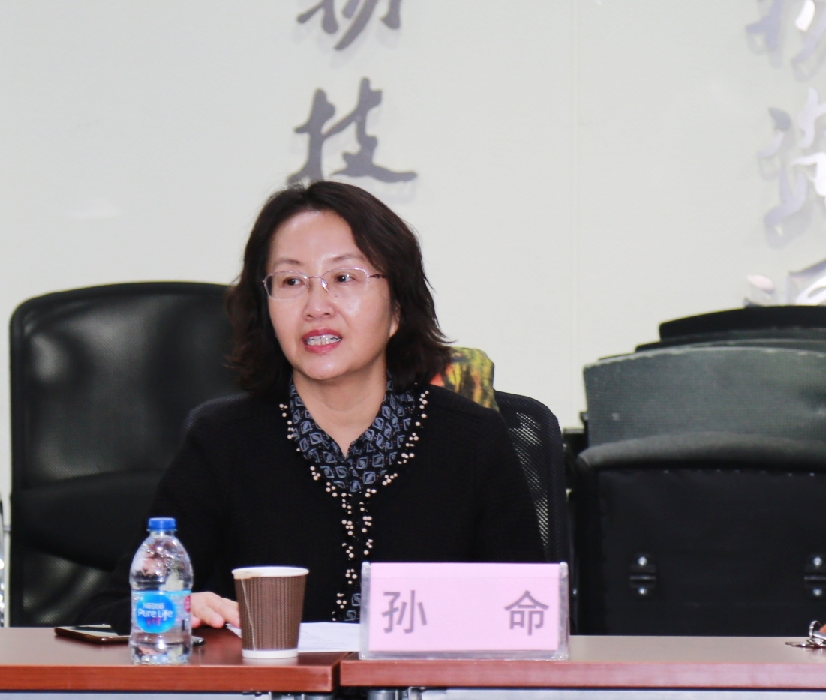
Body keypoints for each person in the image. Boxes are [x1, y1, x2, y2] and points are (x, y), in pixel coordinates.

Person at [78, 181, 544, 632]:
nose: (316, 306)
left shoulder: (472, 440)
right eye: (291, 281)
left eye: (344, 278)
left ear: (398, 308)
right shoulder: (225, 443)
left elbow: (533, 620)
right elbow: (110, 612)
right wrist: (176, 609)